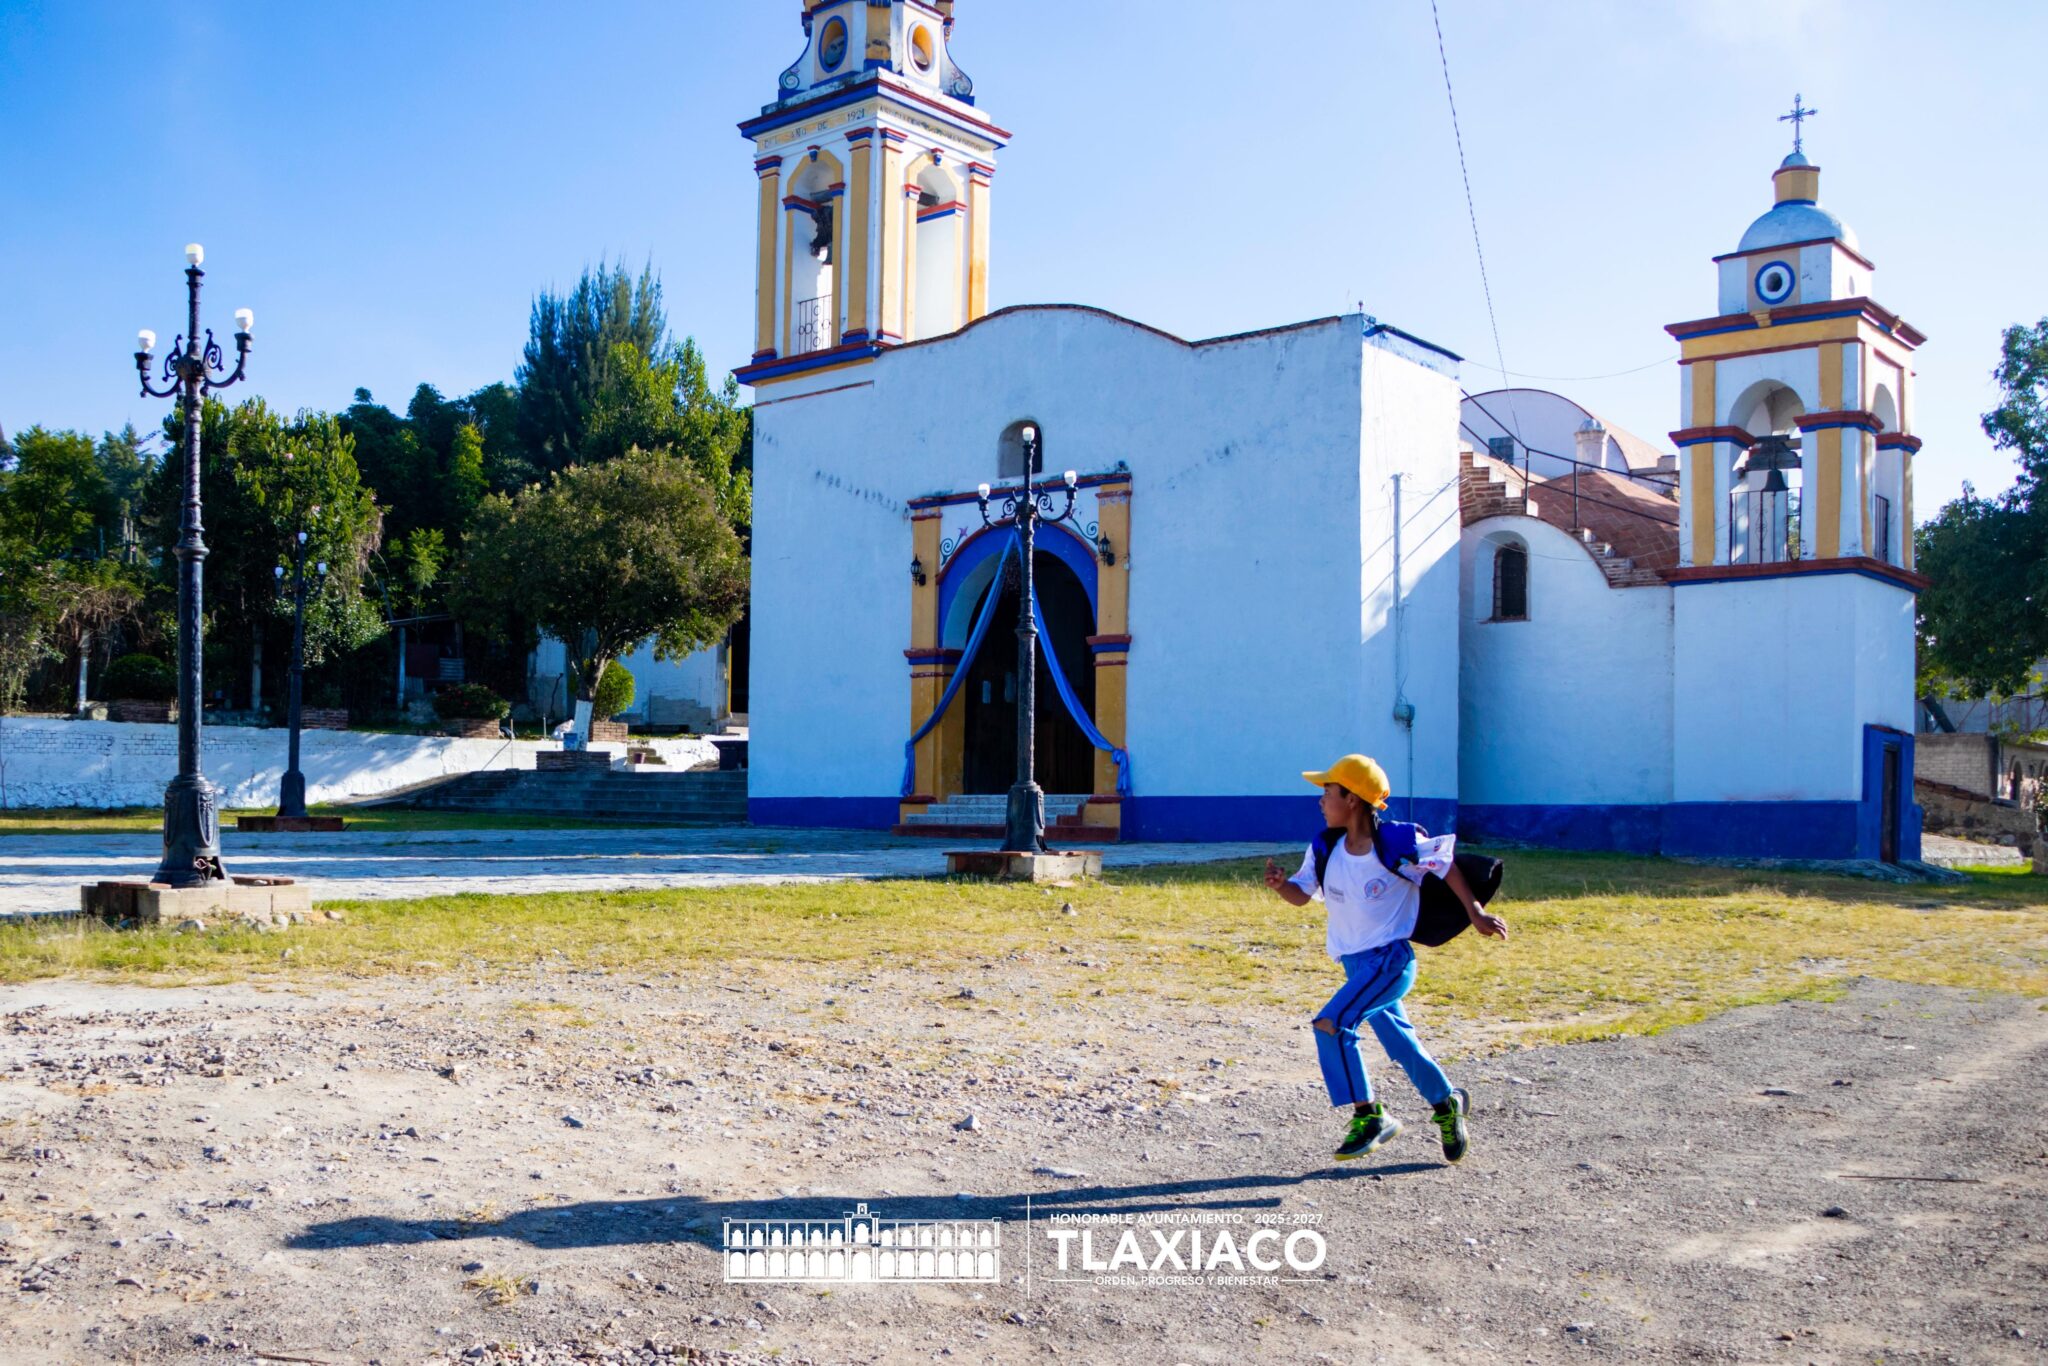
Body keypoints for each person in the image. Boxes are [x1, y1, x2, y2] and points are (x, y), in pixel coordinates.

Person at [1264, 754, 1507, 1164]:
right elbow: (1302, 895)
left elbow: (1446, 865)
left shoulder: (1395, 842)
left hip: (1390, 961)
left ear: (1353, 799)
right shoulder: (1325, 846)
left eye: (1328, 791)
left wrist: (1475, 911)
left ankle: (1370, 1116)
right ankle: (1447, 1104)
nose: (1321, 800)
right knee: (1401, 1044)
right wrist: (1280, 886)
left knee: (1332, 1024)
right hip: (1355, 965)